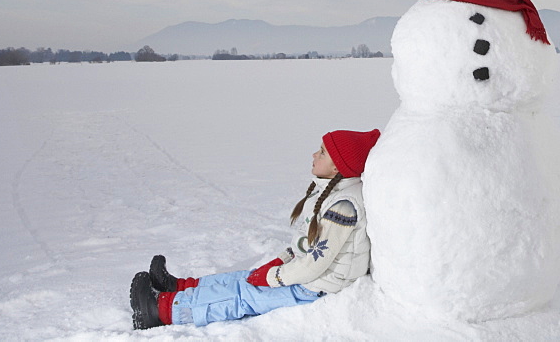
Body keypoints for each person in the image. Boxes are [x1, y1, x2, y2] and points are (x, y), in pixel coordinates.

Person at [129, 128, 381, 329]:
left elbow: (316, 264)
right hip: (308, 275)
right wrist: (279, 261)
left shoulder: (343, 207)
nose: (314, 155)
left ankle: (160, 310)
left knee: (242, 295)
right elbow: (305, 244)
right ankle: (179, 287)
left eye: (322, 152)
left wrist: (275, 277)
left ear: (337, 166)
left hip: (317, 287)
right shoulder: (329, 193)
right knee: (241, 278)